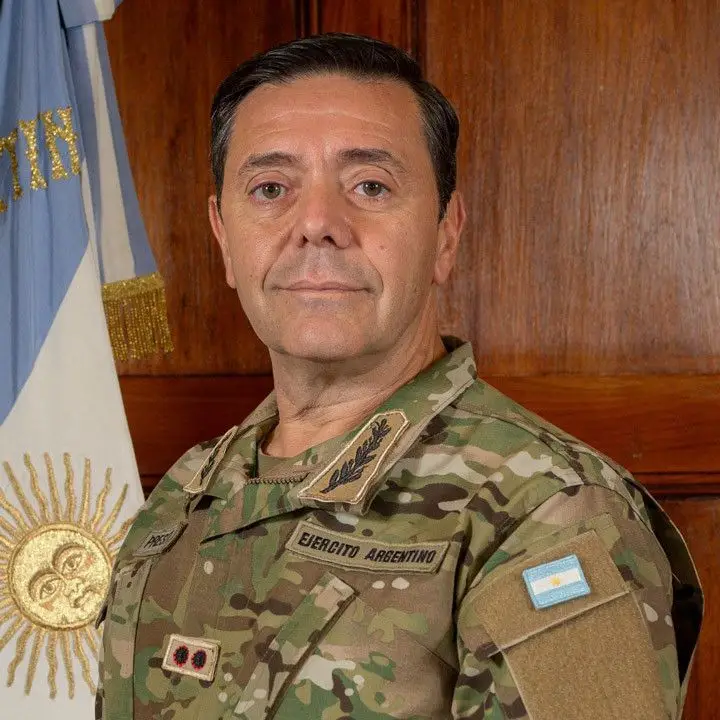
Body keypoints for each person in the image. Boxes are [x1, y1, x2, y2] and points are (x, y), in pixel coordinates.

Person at [96, 33, 703, 720]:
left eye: (370, 186)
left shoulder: (547, 512)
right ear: (223, 237)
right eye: (270, 189)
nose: (317, 224)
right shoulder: (183, 498)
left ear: (446, 233)